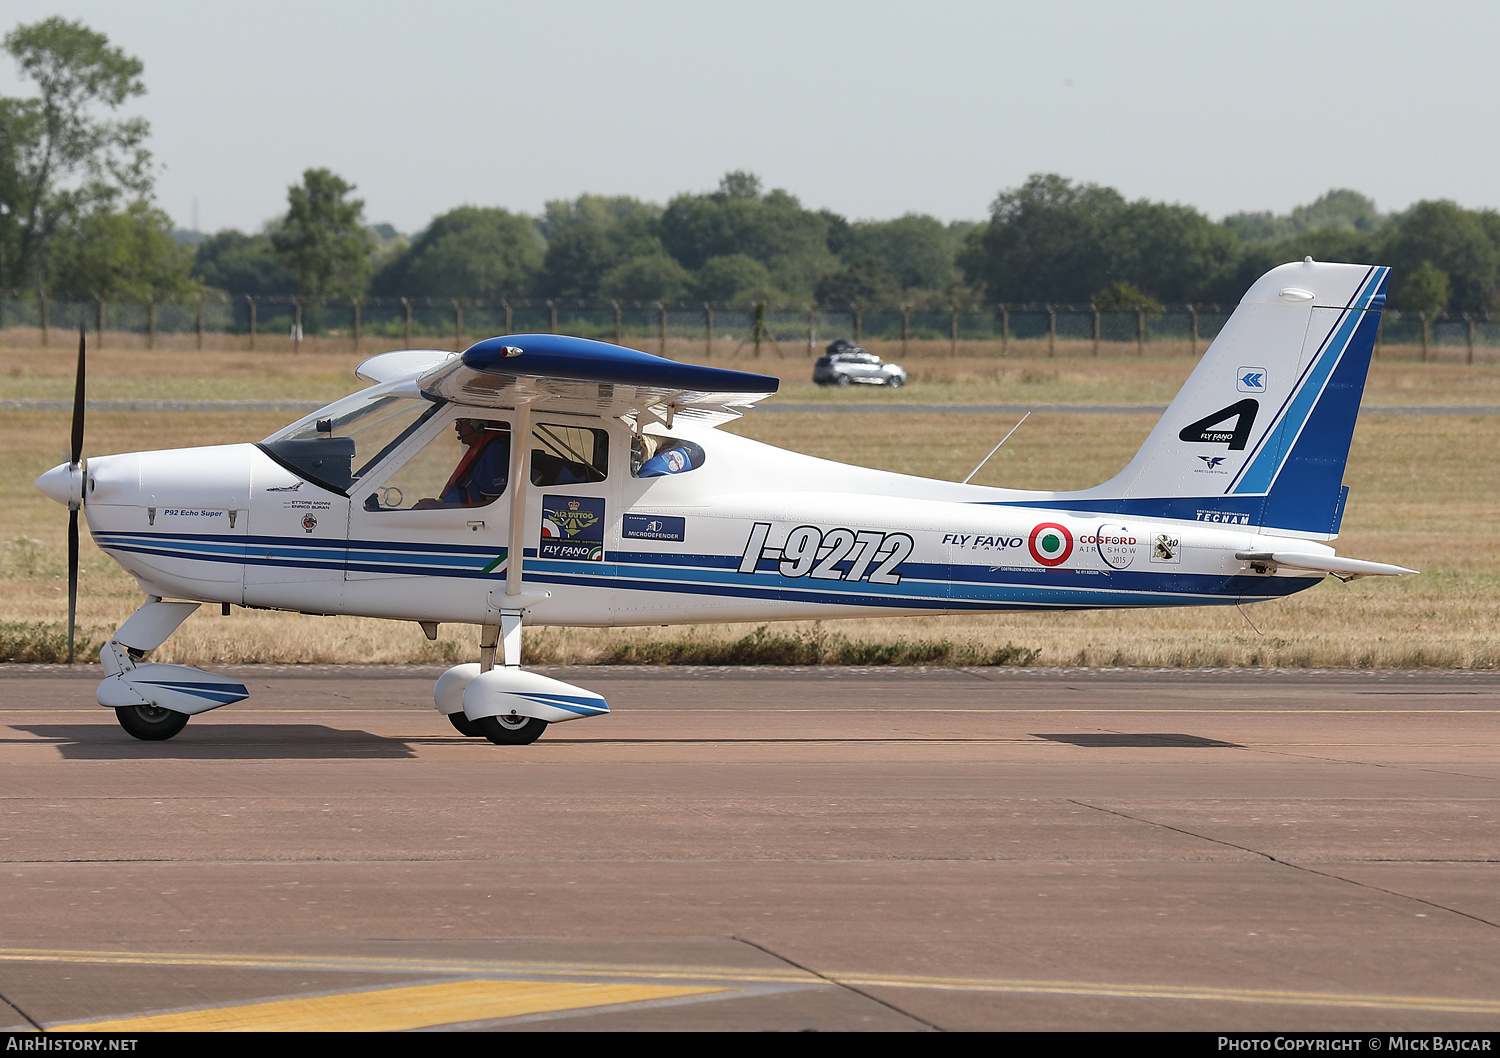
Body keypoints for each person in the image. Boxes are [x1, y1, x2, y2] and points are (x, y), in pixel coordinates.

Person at [412, 419, 510, 509]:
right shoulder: (483, 447)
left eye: (460, 423)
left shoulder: (495, 452)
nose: (457, 428)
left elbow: (494, 505)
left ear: (477, 425)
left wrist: (441, 507)